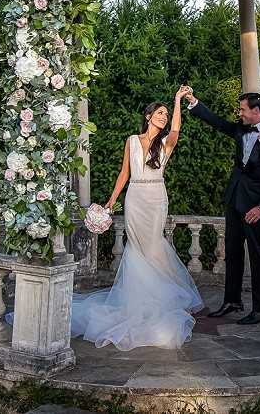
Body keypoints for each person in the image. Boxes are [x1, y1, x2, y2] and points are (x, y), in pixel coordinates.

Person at [70, 86, 203, 350]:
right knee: (137, 247)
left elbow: (176, 130)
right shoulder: (132, 140)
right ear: (149, 115)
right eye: (160, 112)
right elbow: (123, 174)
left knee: (153, 245)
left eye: (166, 113)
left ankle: (157, 297)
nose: (164, 117)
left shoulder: (165, 143)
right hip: (134, 198)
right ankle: (137, 299)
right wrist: (111, 201)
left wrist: (178, 100)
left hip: (156, 198)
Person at [186, 90, 260, 325]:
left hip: (254, 207)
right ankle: (232, 301)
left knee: (258, 256)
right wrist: (194, 103)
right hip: (234, 200)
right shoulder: (241, 129)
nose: (239, 113)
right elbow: (218, 123)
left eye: (242, 109)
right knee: (232, 252)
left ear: (256, 111)